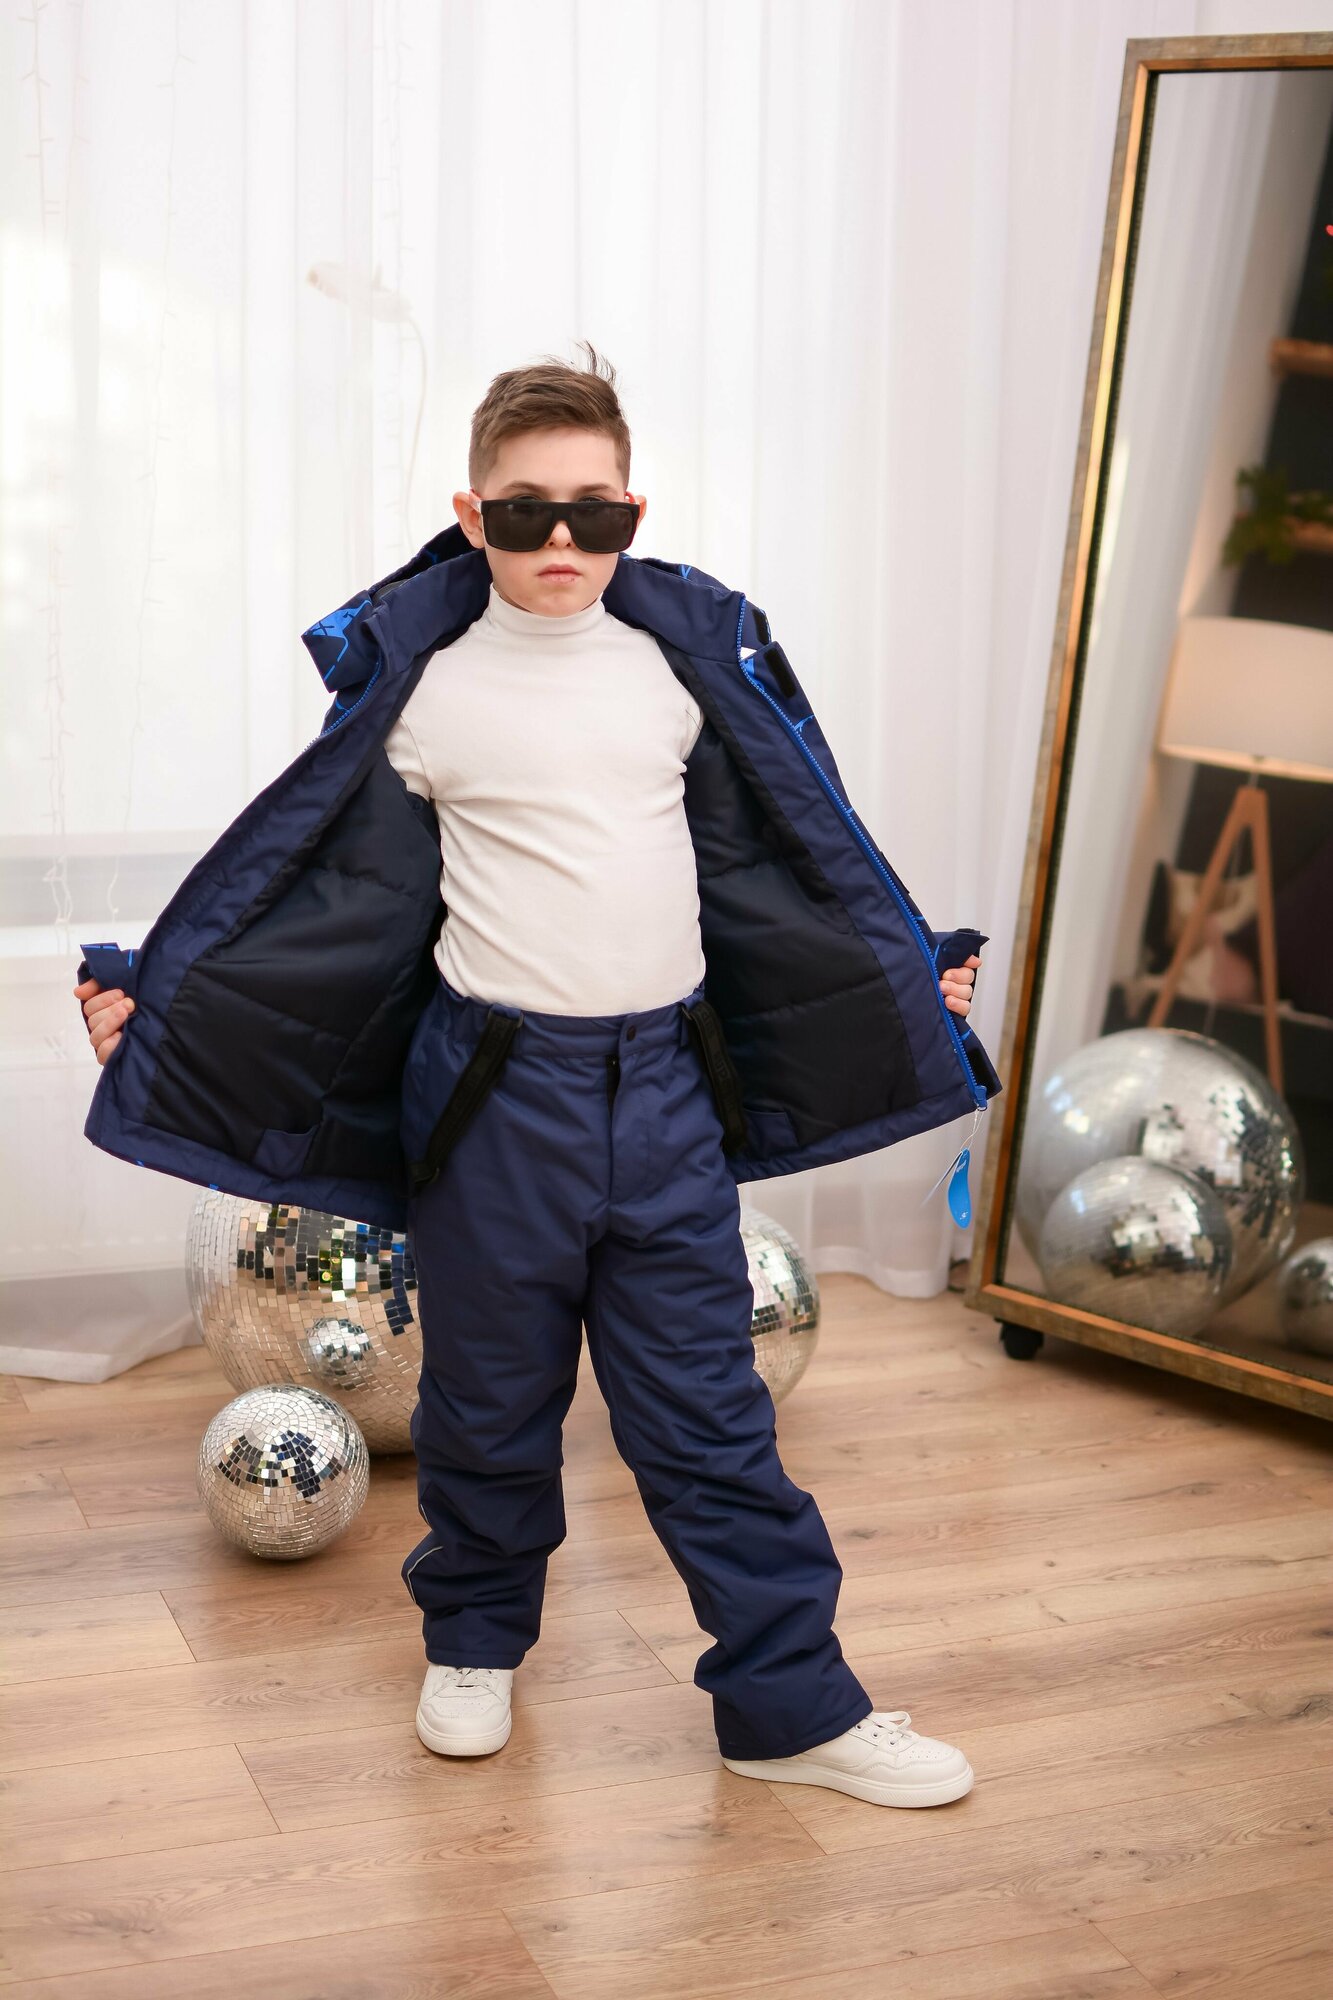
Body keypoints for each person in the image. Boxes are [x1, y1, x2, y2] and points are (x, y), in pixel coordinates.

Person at [75, 344, 985, 1811]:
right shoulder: (426, 691)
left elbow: (790, 869)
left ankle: (790, 1704)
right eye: (522, 512)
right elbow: (311, 906)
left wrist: (903, 987)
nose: (561, 539)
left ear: (634, 512)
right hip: (495, 1094)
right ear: (471, 514)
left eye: (593, 511)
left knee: (707, 1416)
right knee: (489, 1406)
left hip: (664, 1094)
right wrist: (163, 1015)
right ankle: (475, 1641)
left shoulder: (687, 672)